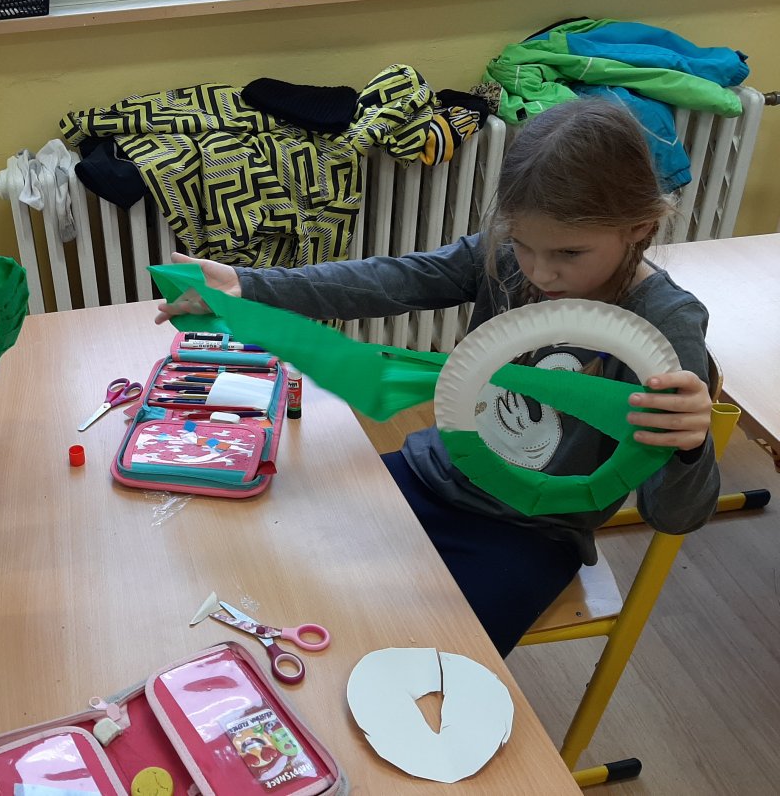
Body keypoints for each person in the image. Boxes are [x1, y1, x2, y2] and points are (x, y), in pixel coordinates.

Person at [155, 99, 719, 656]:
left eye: (569, 253)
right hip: (431, 475)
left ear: (639, 226)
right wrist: (250, 286)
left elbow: (676, 515)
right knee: (270, 575)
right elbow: (390, 280)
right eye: (523, 243)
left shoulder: (666, 324)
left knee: (428, 663)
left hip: (531, 534)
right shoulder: (503, 257)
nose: (540, 271)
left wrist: (689, 446)